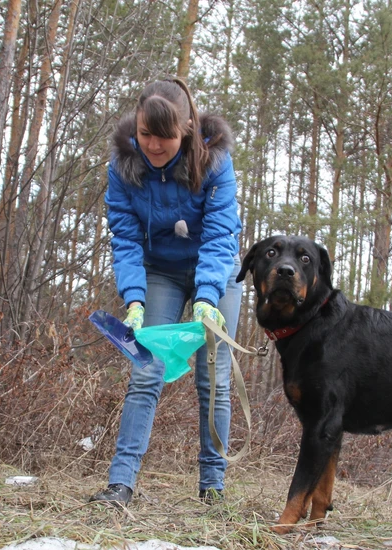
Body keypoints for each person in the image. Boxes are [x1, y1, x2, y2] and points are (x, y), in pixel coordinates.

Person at [90, 78, 242, 507]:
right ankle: (121, 484)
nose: (154, 145)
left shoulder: (215, 162)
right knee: (145, 368)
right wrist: (134, 299)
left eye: (166, 136)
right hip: (161, 271)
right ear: (136, 127)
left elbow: (218, 236)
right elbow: (124, 237)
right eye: (146, 134)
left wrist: (208, 297)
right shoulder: (122, 167)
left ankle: (212, 488)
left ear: (187, 129)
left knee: (213, 379)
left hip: (217, 271)